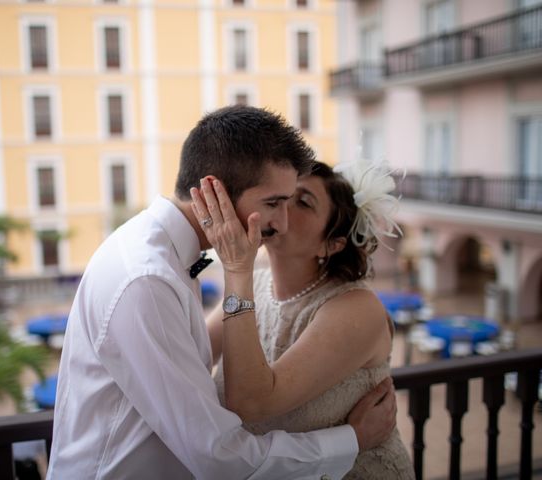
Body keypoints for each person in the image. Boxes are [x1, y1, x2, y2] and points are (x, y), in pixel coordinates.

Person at [47, 105, 397, 479]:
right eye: (274, 203)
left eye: (295, 202)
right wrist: (350, 439)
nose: (281, 220)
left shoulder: (162, 259)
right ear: (215, 192)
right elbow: (218, 456)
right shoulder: (146, 280)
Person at [195, 160, 414, 478]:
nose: (282, 207)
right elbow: (191, 357)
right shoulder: (254, 284)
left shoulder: (357, 308)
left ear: (331, 244)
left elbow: (251, 402)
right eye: (281, 196)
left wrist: (236, 268)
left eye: (303, 201)